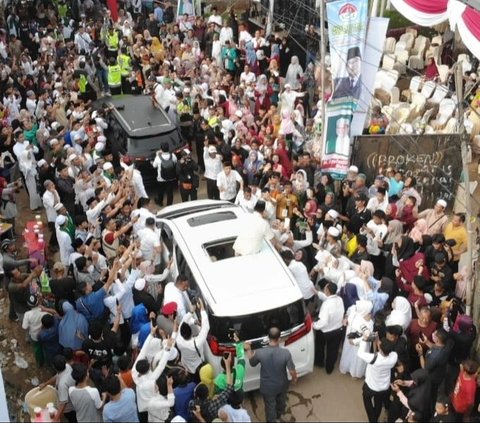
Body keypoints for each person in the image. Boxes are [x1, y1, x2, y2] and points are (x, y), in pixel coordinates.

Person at [246, 327, 297, 422]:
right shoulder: (285, 353)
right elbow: (292, 371)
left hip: (267, 387)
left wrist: (249, 350)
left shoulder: (260, 352)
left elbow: (252, 364)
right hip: (282, 385)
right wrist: (294, 379)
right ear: (279, 338)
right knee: (281, 402)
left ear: (268, 337)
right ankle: (279, 414)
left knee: (270, 407)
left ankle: (272, 420)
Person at [358, 336, 398, 423]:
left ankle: (373, 420)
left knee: (366, 399)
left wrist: (364, 339)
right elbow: (389, 351)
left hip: (371, 386)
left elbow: (360, 353)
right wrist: (378, 341)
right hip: (383, 387)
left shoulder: (373, 358)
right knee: (378, 402)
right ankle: (375, 418)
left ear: (380, 346)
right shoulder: (394, 356)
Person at [313, 282, 345, 374]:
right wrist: (317, 292)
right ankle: (329, 368)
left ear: (327, 291)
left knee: (320, 347)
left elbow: (323, 322)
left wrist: (314, 325)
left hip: (325, 332)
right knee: (333, 351)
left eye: (325, 288)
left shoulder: (326, 304)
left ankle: (319, 363)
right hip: (338, 330)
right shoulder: (340, 299)